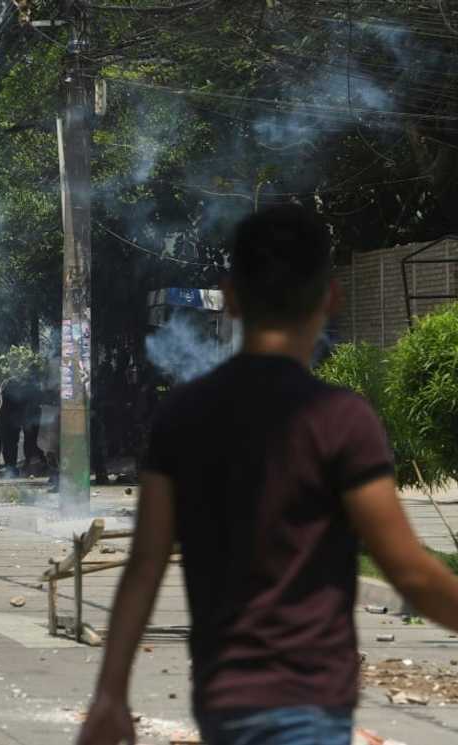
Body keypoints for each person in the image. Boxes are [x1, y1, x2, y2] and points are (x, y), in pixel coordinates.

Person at [76, 205, 458, 745]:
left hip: (224, 704)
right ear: (331, 297)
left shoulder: (183, 416)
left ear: (230, 297)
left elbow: (145, 563)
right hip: (311, 705)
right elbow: (412, 573)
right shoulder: (342, 420)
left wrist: (110, 695)